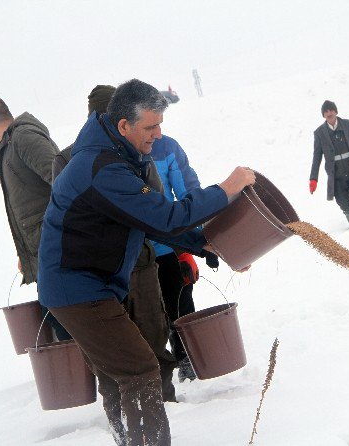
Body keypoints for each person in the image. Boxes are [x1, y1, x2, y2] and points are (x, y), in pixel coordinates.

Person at [38, 78, 255, 446]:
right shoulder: (102, 168)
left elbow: (152, 223)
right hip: (77, 288)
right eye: (150, 127)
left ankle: (128, 439)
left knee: (117, 373)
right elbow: (167, 216)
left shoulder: (119, 154)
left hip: (90, 284)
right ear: (124, 125)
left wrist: (206, 244)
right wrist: (225, 189)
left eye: (160, 125)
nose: (157, 135)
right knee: (139, 368)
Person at [52, 84, 178, 402]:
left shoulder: (138, 154)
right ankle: (127, 411)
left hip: (141, 263)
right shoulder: (69, 159)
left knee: (153, 334)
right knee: (114, 353)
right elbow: (65, 215)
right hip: (99, 274)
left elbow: (158, 204)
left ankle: (163, 401)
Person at [0, 95, 69, 340]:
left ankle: (104, 377)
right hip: (43, 253)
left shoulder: (23, 138)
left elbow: (64, 182)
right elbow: (32, 204)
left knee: (69, 325)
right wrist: (26, 254)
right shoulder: (9, 145)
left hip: (59, 253)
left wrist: (54, 236)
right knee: (61, 325)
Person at [148, 132, 203, 382]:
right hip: (132, 254)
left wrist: (197, 241)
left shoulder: (166, 147)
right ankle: (156, 373)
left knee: (179, 304)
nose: (155, 132)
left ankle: (186, 361)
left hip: (166, 247)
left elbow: (188, 195)